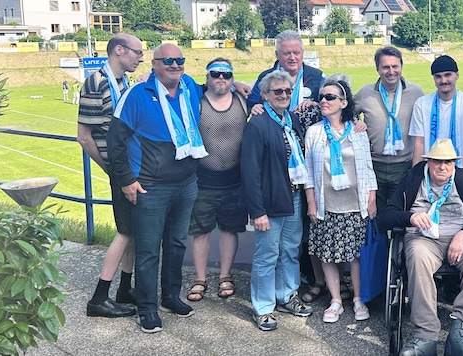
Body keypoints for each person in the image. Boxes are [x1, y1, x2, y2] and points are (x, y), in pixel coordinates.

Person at [107, 43, 206, 333]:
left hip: (186, 183)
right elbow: (115, 141)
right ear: (154, 64)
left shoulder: (189, 87)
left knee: (176, 245)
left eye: (180, 60)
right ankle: (148, 309)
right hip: (150, 187)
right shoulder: (136, 95)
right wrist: (126, 179)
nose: (175, 65)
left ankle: (170, 297)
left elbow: (214, 86)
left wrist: (239, 84)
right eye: (168, 61)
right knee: (149, 250)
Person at [379, 138, 463, 356]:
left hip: (459, 237)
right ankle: (425, 334)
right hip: (423, 239)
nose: (443, 167)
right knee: (417, 256)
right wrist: (410, 217)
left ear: (454, 164)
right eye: (437, 162)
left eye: (448, 162)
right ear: (428, 162)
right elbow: (386, 216)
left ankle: (461, 331)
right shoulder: (413, 179)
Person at [77, 33, 144, 319]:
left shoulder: (120, 81)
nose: (141, 57)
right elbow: (84, 136)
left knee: (132, 231)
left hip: (126, 165)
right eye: (137, 52)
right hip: (120, 168)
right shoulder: (96, 82)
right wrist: (112, 169)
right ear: (119, 51)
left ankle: (124, 289)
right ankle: (99, 298)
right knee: (125, 232)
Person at [241, 70, 313, 331]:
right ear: (265, 95)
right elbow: (249, 171)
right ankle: (262, 307)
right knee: (267, 255)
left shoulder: (291, 119)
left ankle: (286, 295)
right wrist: (257, 211)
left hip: (293, 197)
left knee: (290, 251)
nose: (283, 95)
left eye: (287, 91)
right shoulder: (257, 124)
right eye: (277, 91)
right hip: (269, 203)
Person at [304, 74, 378, 323]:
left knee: (354, 255)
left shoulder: (358, 132)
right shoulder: (313, 133)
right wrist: (312, 202)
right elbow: (308, 173)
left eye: (330, 97)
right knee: (328, 254)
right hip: (327, 205)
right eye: (321, 97)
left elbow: (368, 169)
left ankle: (357, 297)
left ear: (344, 103)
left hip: (354, 204)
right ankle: (335, 299)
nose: (324, 101)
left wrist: (372, 198)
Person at [186, 57, 248, 302]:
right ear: (207, 76)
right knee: (200, 232)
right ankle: (199, 278)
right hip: (202, 180)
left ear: (232, 77)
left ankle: (225, 275)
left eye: (226, 74)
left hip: (234, 180)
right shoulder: (196, 102)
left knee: (229, 230)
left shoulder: (244, 101)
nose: (220, 78)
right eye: (215, 74)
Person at [354, 46, 425, 212]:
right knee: (373, 215)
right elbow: (346, 112)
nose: (391, 71)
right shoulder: (366, 92)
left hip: (404, 166)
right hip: (373, 167)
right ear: (377, 69)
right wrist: (355, 122)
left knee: (399, 216)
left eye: (395, 66)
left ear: (401, 66)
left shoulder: (416, 92)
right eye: (385, 67)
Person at [410, 55, 463, 169]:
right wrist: (415, 175)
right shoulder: (422, 104)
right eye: (438, 76)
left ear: (457, 75)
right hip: (430, 170)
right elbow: (419, 142)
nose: (443, 81)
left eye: (448, 75)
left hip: (459, 168)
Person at [247, 30, 324, 113]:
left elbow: (331, 104)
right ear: (277, 55)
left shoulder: (317, 76)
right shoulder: (264, 77)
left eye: (296, 53)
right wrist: (254, 108)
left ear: (302, 53)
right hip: (274, 125)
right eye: (287, 53)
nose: (292, 57)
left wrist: (316, 105)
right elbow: (250, 106)